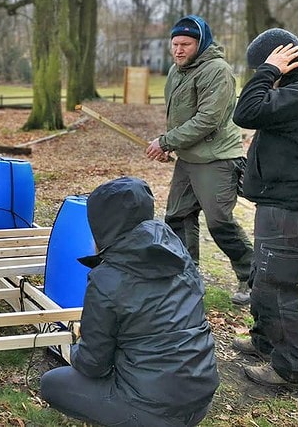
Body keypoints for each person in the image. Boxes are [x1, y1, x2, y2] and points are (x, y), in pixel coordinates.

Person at [40, 176, 219, 427]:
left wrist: (77, 347)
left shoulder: (108, 277)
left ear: (102, 226)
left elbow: (93, 364)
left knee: (52, 382)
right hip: (200, 397)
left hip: (154, 410)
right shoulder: (177, 253)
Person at [231, 29, 298, 390]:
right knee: (262, 280)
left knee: (279, 287)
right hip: (281, 203)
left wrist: (266, 71)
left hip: (295, 207)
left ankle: (291, 370)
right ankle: (264, 343)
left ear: (281, 59)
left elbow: (245, 112)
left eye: (264, 64)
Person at [146, 14, 254, 305]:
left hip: (217, 158)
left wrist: (167, 141)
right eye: (175, 44)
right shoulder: (176, 70)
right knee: (177, 217)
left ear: (200, 43)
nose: (179, 50)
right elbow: (179, 116)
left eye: (186, 44)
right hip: (188, 157)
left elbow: (208, 119)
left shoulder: (217, 70)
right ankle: (186, 275)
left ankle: (252, 276)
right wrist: (169, 145)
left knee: (219, 222)